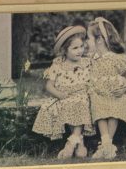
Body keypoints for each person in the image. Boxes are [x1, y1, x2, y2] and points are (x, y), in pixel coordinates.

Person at [84, 16, 126, 160]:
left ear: (99, 40)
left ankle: (106, 145)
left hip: (115, 93)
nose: (87, 42)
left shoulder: (116, 58)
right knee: (98, 105)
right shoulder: (91, 59)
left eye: (88, 38)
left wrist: (124, 88)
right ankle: (106, 145)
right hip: (98, 93)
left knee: (115, 107)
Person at [31, 27, 97, 160]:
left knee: (79, 102)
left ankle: (71, 142)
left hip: (82, 94)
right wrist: (58, 94)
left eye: (81, 47)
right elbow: (49, 85)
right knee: (67, 104)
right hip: (64, 95)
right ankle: (79, 142)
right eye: (75, 48)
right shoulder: (58, 64)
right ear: (65, 50)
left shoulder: (86, 62)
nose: (80, 51)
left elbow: (95, 77)